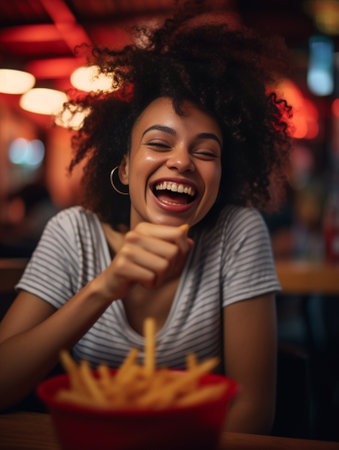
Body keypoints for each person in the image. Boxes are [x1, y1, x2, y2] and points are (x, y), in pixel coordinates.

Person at [0, 0, 291, 433]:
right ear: (122, 166)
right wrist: (105, 287)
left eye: (205, 152)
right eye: (159, 144)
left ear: (221, 177)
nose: (182, 162)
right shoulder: (73, 234)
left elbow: (252, 415)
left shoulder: (237, 234)